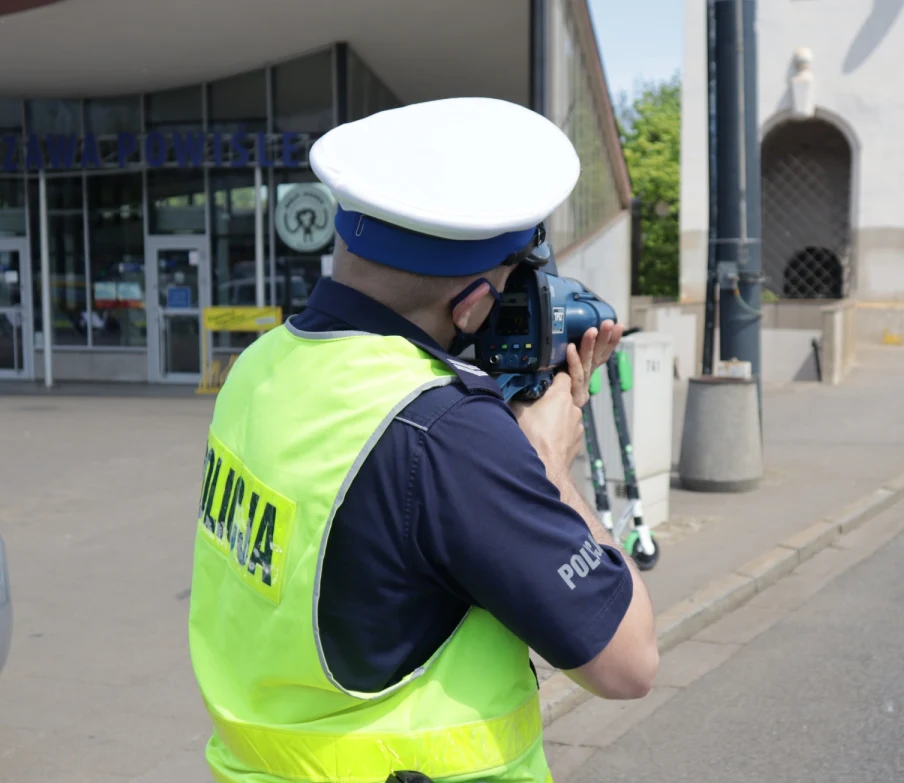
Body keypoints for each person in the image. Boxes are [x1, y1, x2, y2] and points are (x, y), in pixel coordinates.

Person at [187, 97, 659, 783]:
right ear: (471, 305)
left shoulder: (260, 367)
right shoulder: (446, 433)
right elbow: (629, 660)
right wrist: (548, 467)